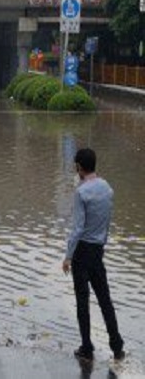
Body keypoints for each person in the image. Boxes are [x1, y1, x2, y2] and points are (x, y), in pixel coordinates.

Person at [62, 148, 125, 362]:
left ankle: (87, 347)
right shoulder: (107, 188)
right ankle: (117, 346)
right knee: (105, 299)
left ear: (79, 167)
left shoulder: (81, 192)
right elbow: (107, 222)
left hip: (82, 252)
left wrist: (68, 256)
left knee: (82, 301)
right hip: (97, 252)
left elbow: (78, 229)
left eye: (76, 166)